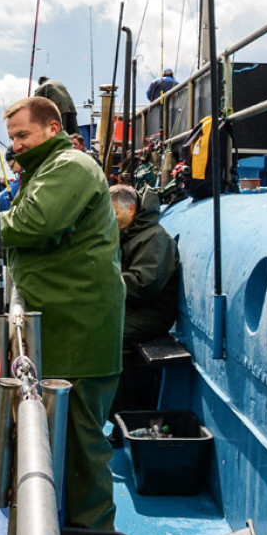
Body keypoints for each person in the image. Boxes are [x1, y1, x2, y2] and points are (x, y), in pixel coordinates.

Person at [0, 96, 125, 531]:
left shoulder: (70, 167)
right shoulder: (46, 170)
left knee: (85, 451)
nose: (17, 146)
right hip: (67, 330)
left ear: (52, 128)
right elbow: (24, 217)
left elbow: (33, 225)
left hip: (80, 334)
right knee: (67, 445)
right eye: (12, 138)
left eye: (23, 135)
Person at [107, 184, 180, 443]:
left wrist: (105, 281)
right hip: (133, 308)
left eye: (114, 216)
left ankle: (125, 418)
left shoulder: (154, 238)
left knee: (111, 337)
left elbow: (144, 285)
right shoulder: (130, 233)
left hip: (151, 313)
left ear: (132, 210)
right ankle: (112, 414)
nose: (109, 222)